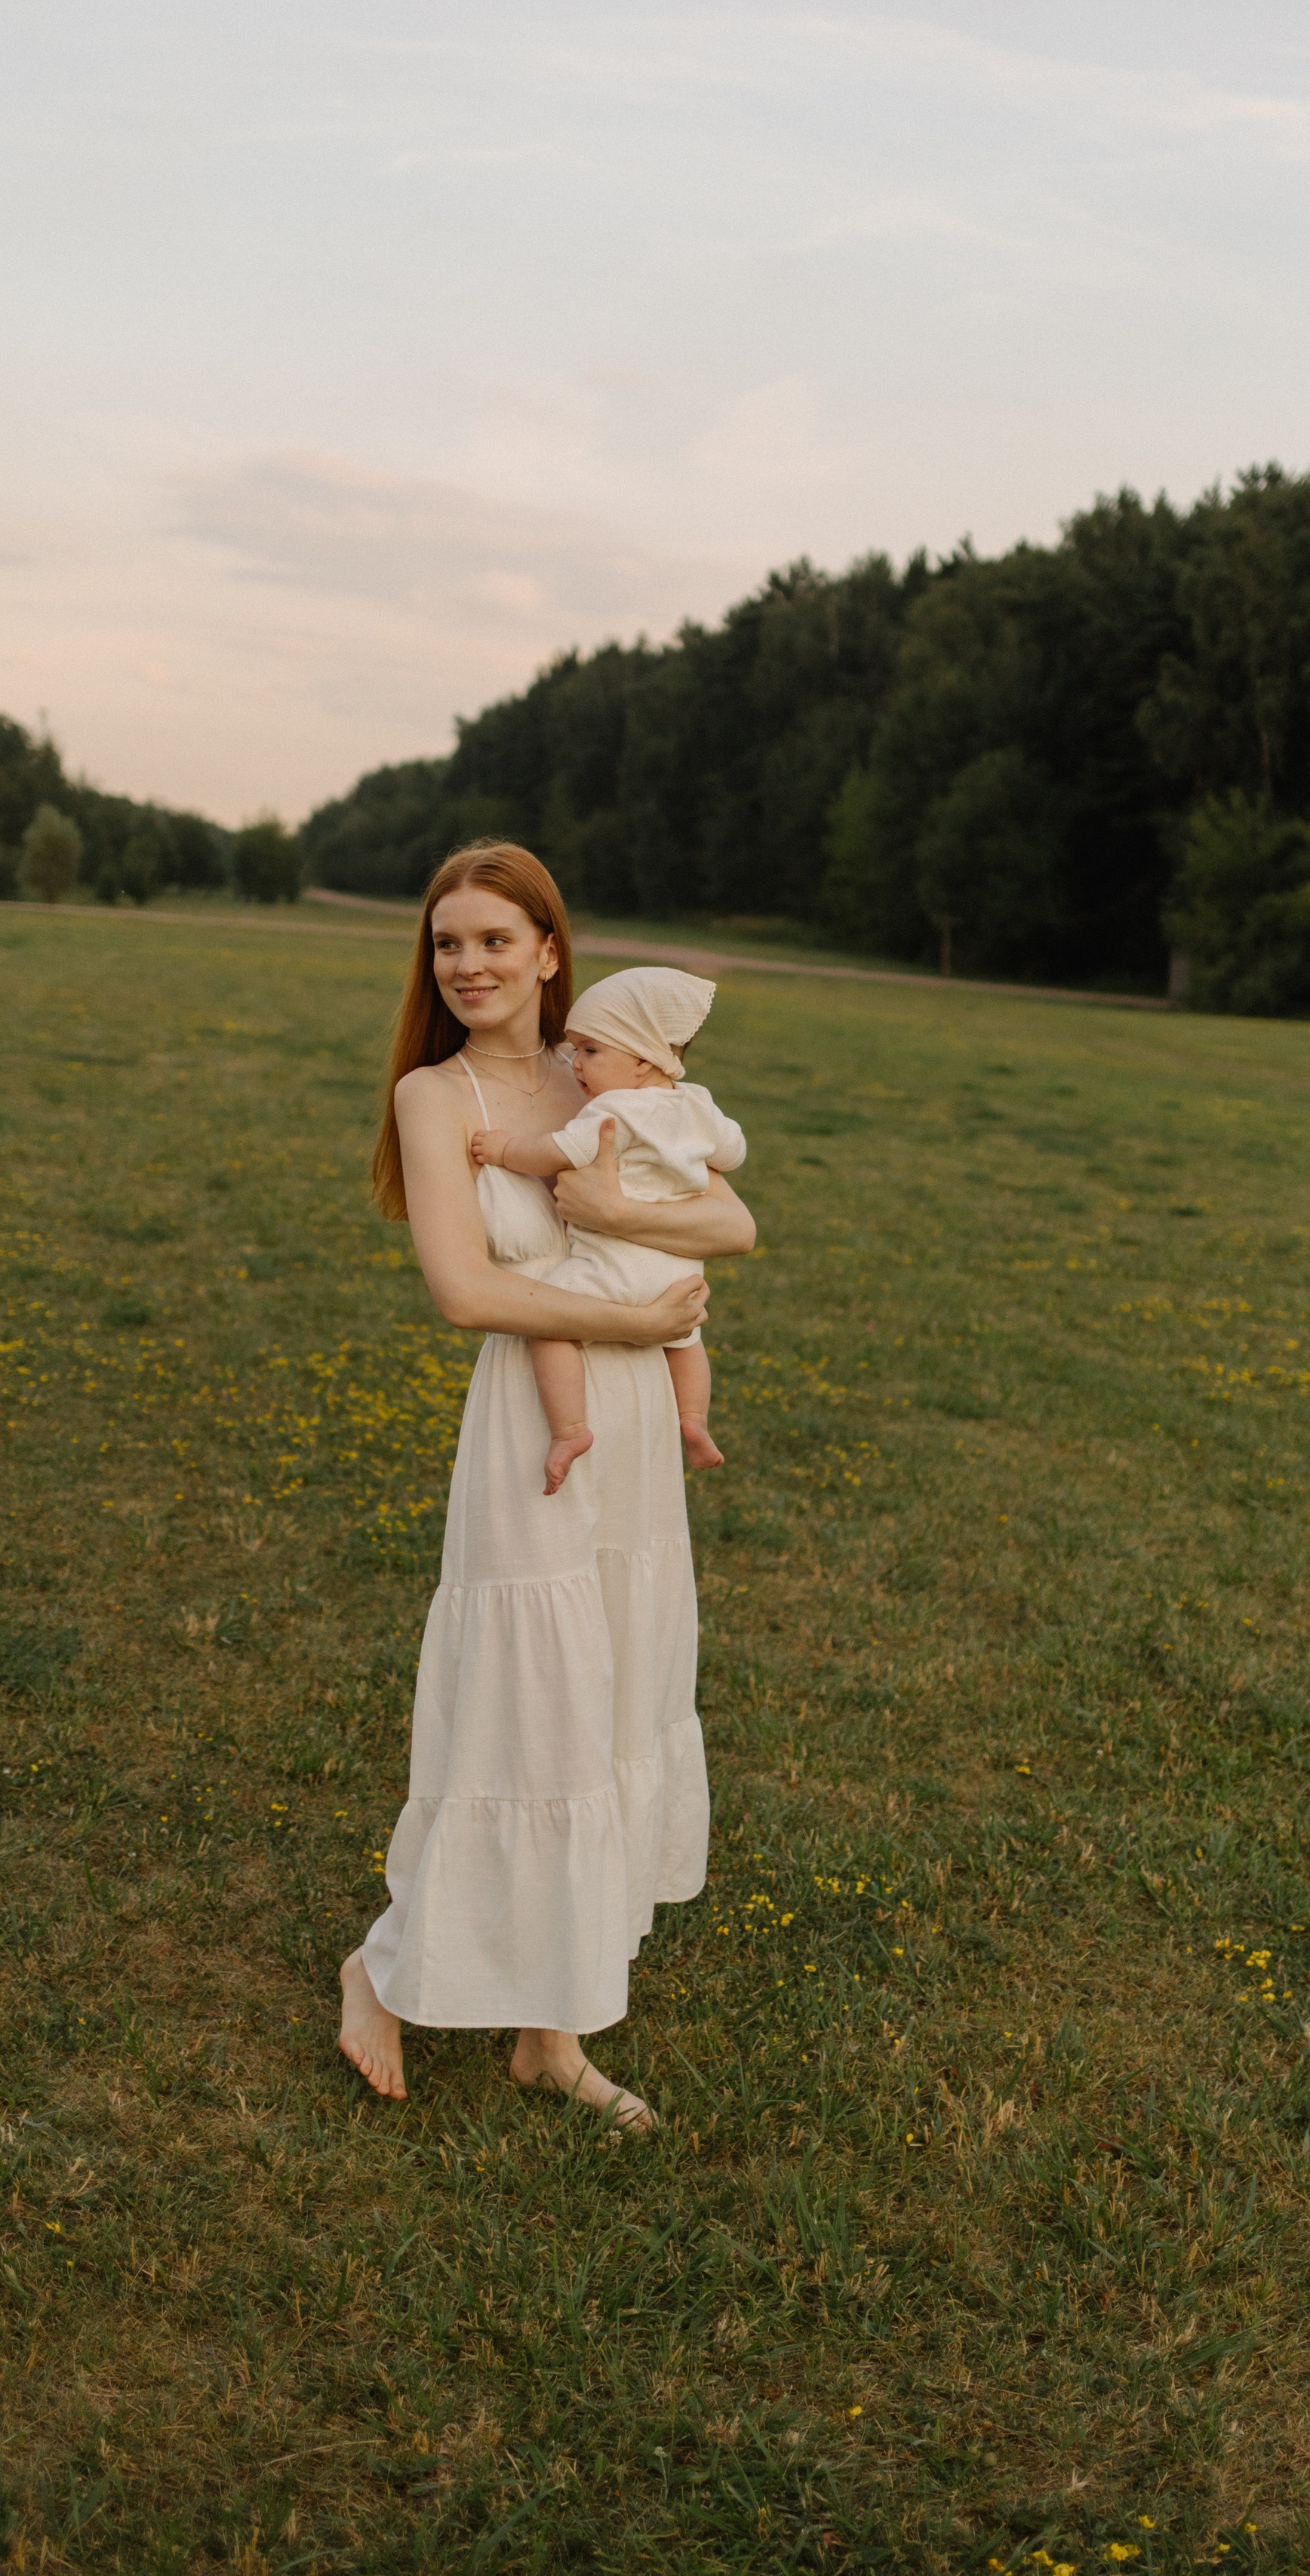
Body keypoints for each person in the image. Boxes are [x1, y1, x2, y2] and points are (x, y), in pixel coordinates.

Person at [337, 842, 756, 2130]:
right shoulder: (433, 1094)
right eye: (448, 943)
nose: (467, 965)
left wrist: (604, 1208)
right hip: (536, 1418)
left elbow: (734, 1226)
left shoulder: (611, 1068)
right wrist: (633, 1315)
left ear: (550, 951)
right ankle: (384, 1967)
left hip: (630, 1430)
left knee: (615, 1690)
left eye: (493, 942)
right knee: (525, 1705)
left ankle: (552, 2037)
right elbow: (467, 1291)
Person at [466, 964, 744, 1492]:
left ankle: (569, 1429)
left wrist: (504, 1148)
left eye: (592, 1050)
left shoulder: (613, 1109)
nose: (577, 1065)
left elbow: (557, 1151)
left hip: (611, 1267)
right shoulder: (700, 1104)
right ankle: (693, 1421)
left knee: (549, 1320)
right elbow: (733, 1151)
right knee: (687, 1340)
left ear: (642, 1060)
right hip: (677, 1270)